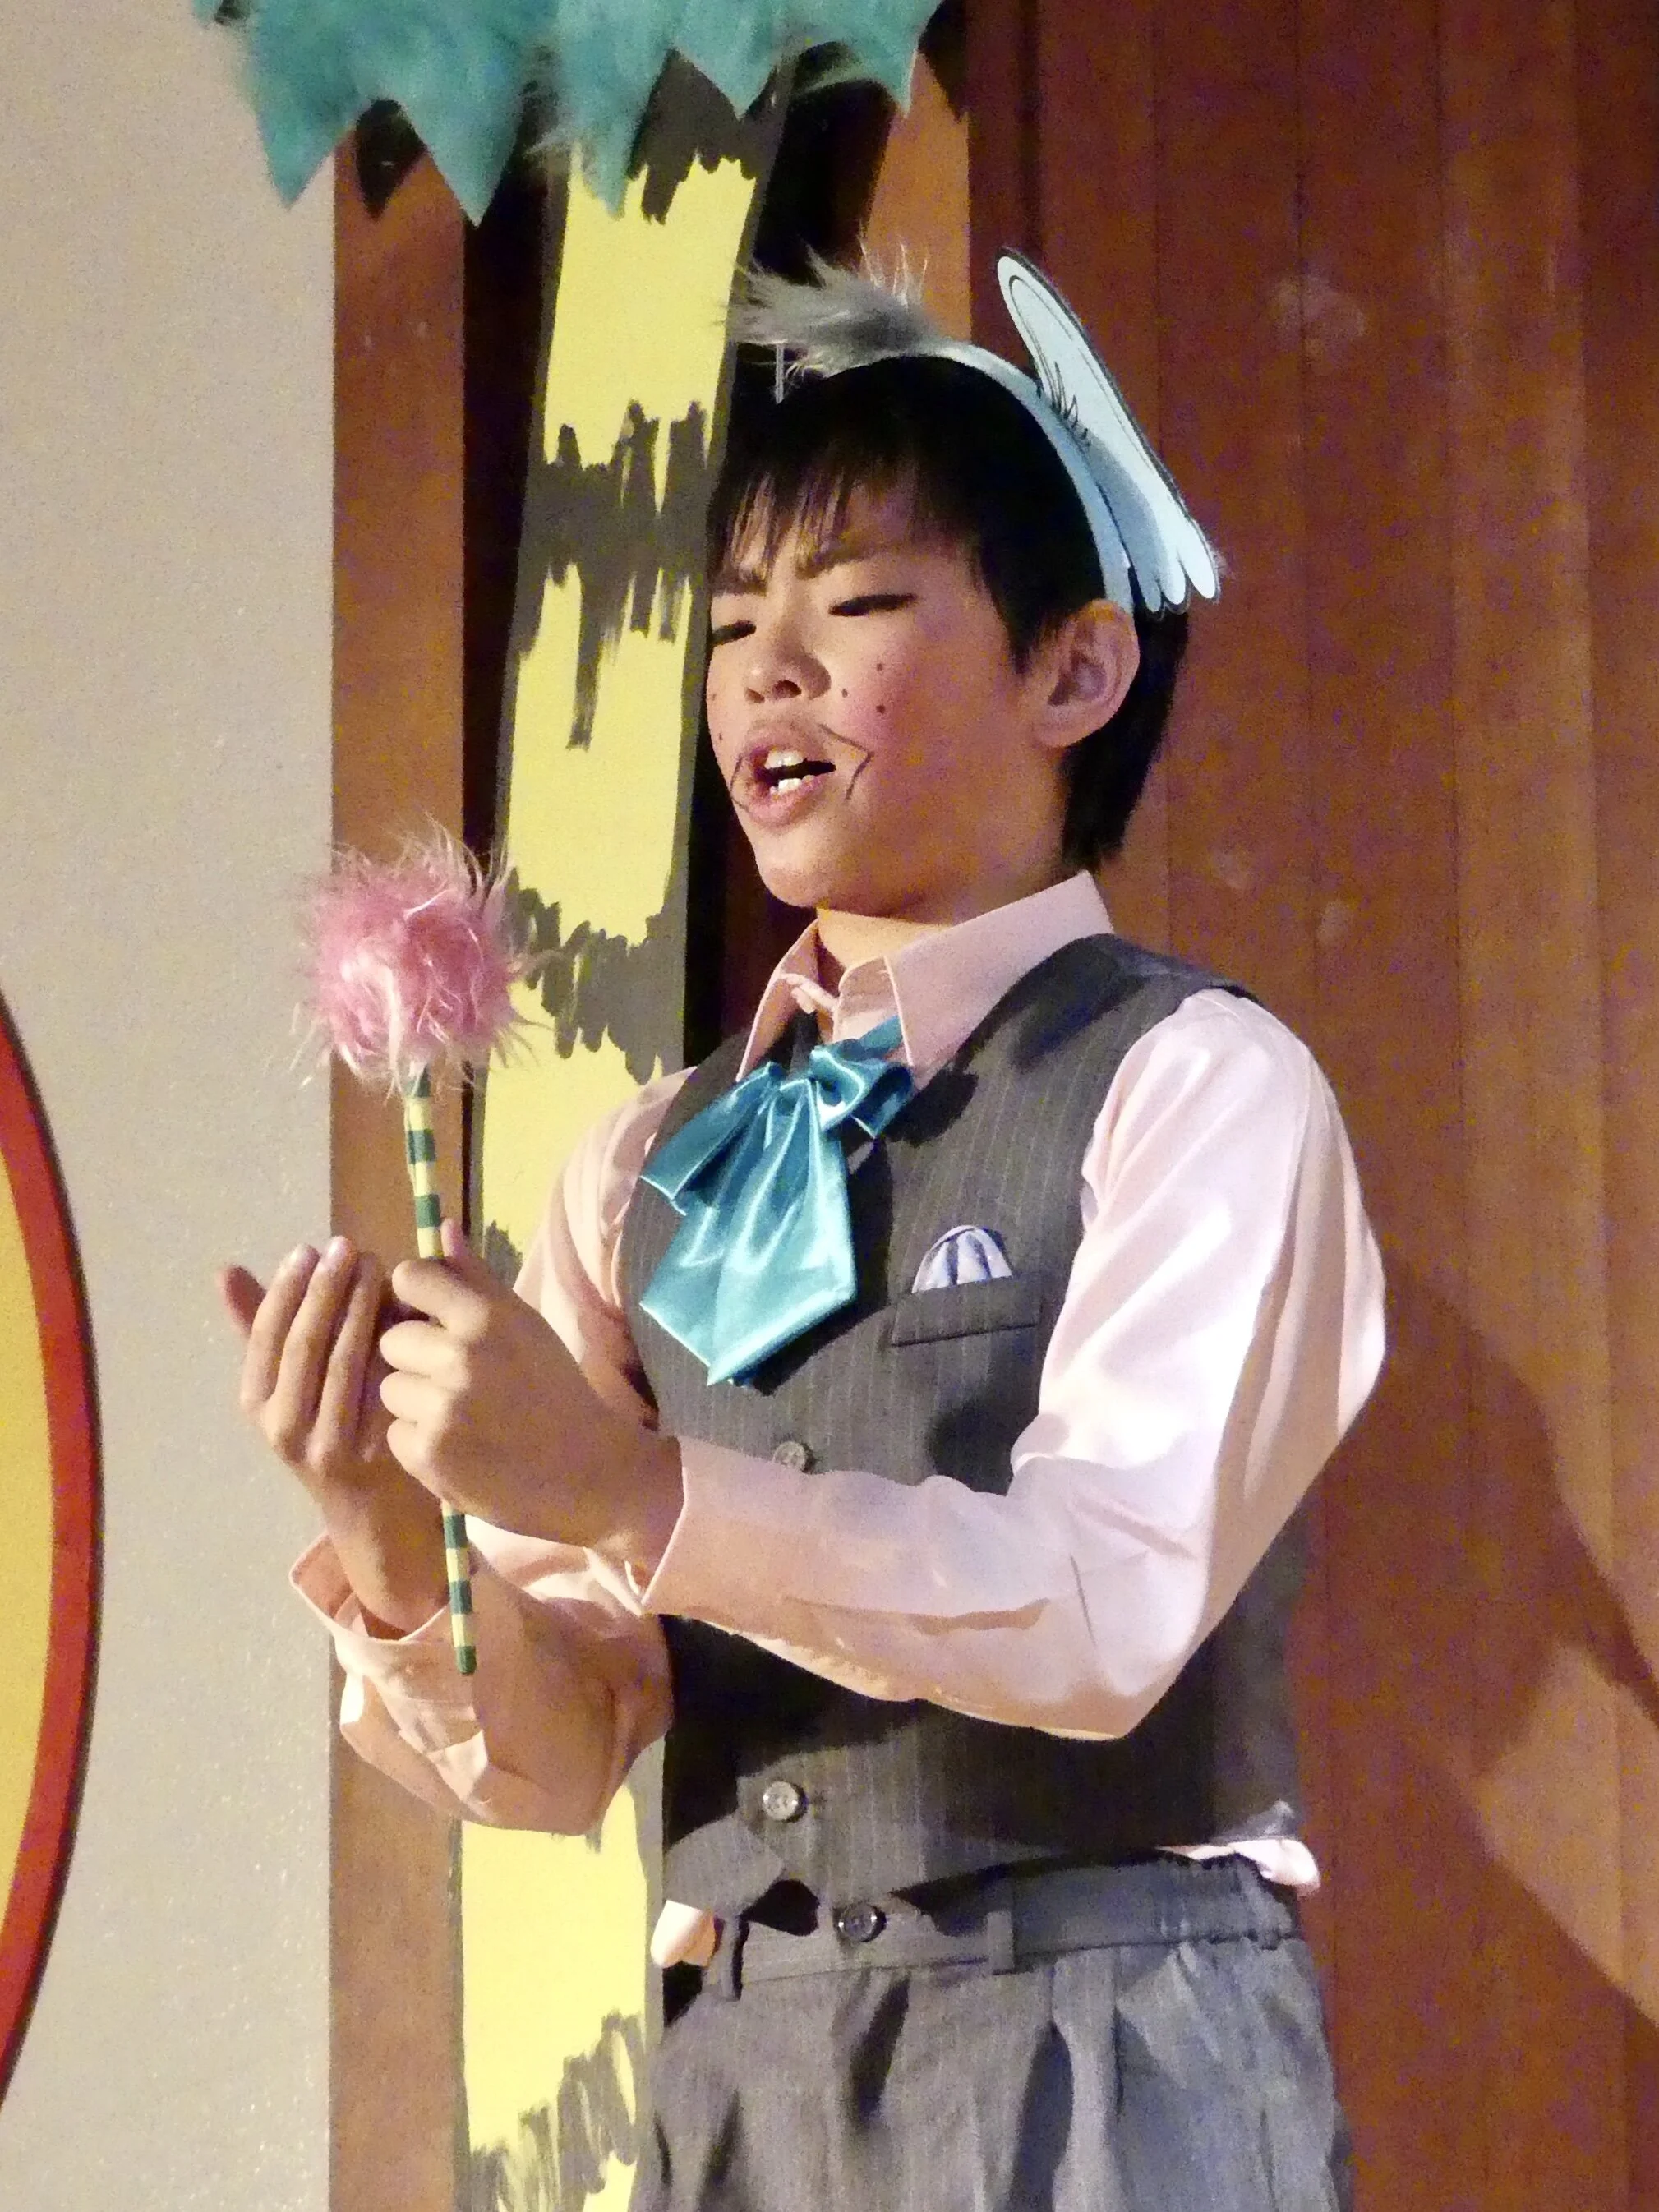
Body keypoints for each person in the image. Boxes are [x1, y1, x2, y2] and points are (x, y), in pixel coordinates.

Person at [223, 256, 1384, 2211]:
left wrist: (628, 1485)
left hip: (1103, 2029)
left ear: (1073, 671)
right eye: (732, 620)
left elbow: (1100, 1605)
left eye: (851, 608)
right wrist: (399, 1541)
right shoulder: (647, 1158)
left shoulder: (1195, 1079)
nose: (766, 667)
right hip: (751, 2060)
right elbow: (555, 1757)